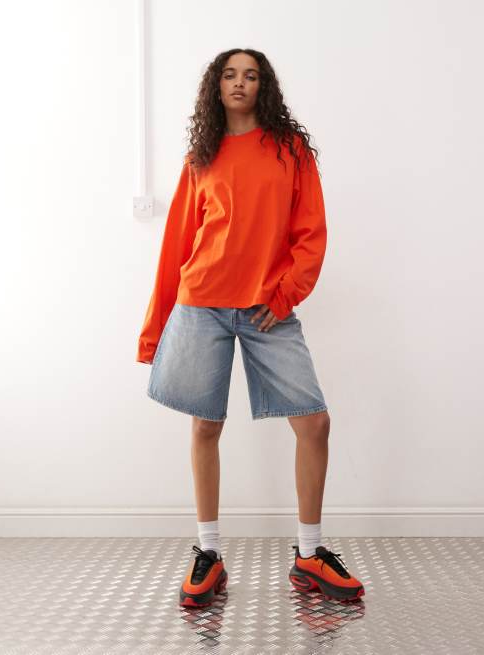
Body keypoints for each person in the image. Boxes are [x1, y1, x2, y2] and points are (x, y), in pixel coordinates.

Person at [136, 48, 365, 608]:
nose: (240, 83)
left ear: (265, 86)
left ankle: (309, 554)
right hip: (202, 305)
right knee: (205, 427)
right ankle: (209, 554)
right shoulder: (201, 156)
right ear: (216, 87)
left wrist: (285, 295)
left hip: (269, 310)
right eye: (230, 75)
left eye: (251, 75)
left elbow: (311, 233)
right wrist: (155, 330)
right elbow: (176, 247)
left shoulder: (290, 151)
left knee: (315, 424)